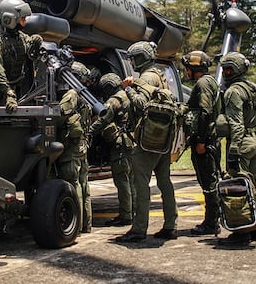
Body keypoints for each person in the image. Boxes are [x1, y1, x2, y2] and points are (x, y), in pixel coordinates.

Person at [116, 41, 178, 242]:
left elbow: (142, 104)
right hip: (162, 139)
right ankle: (170, 225)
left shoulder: (146, 77)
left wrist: (128, 89)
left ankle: (138, 229)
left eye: (134, 58)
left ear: (142, 58)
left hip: (148, 140)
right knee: (165, 182)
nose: (132, 62)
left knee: (140, 184)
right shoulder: (159, 75)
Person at [220, 51, 256, 245]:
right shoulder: (253, 88)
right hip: (255, 141)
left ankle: (241, 232)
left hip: (241, 143)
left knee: (238, 186)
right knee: (255, 184)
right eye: (224, 69)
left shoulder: (233, 92)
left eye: (229, 69)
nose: (225, 73)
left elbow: (236, 125)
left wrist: (233, 150)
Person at [180, 50, 222, 235]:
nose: (186, 72)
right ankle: (212, 220)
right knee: (209, 180)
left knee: (208, 182)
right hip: (210, 139)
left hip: (205, 140)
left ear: (194, 68)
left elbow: (205, 112)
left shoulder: (203, 83)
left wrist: (201, 141)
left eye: (187, 68)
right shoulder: (210, 81)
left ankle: (211, 223)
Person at [89, 72, 137, 227]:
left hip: (120, 145)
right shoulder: (128, 95)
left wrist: (89, 132)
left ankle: (125, 216)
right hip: (131, 142)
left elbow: (104, 119)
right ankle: (134, 211)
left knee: (122, 180)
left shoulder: (114, 100)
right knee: (131, 179)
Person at [0, 0, 42, 113]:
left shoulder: (19, 37)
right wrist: (8, 93)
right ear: (10, 19)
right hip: (0, 93)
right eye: (22, 19)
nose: (24, 22)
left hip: (17, 89)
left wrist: (36, 42)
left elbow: (30, 48)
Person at [56, 61, 93, 234]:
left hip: (71, 148)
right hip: (82, 146)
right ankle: (87, 224)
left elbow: (59, 114)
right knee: (85, 186)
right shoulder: (85, 97)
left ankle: (76, 225)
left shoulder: (71, 95)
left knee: (73, 185)